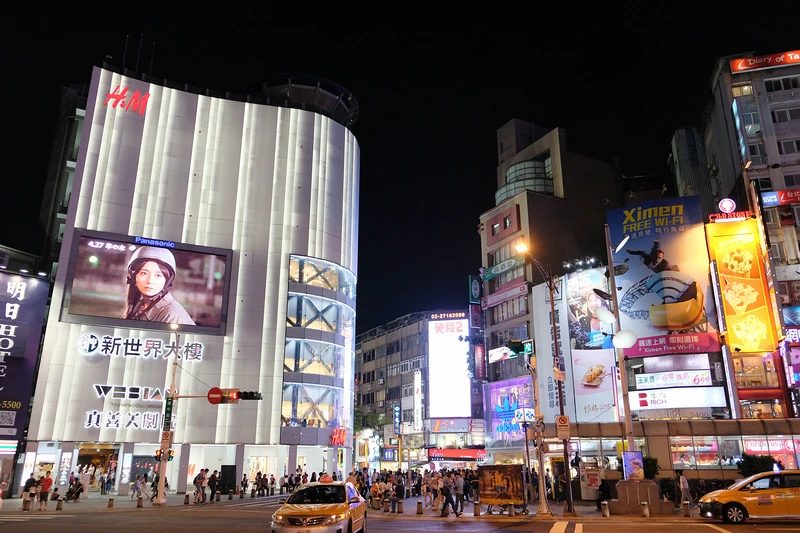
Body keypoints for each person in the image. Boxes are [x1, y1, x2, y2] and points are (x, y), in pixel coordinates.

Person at [122, 246, 195, 325]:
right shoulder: (140, 306)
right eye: (144, 273)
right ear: (134, 277)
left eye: (158, 275)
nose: (150, 281)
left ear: (167, 280)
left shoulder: (171, 315)